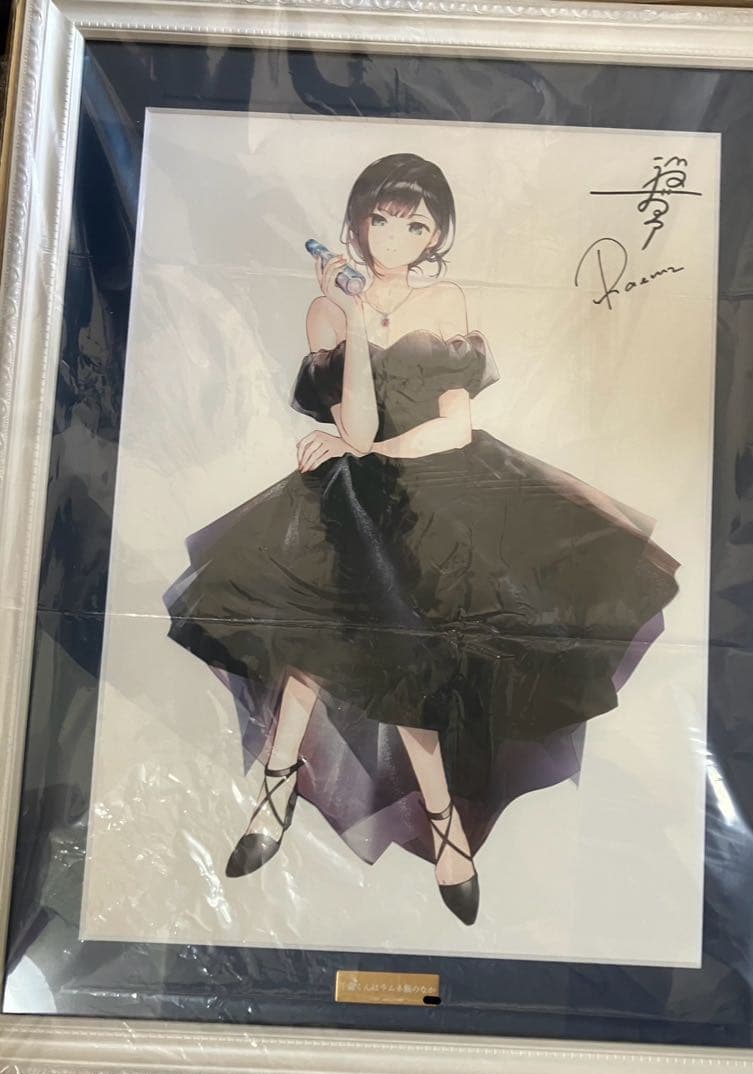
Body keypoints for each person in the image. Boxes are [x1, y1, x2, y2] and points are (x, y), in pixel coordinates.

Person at [164, 152, 679, 927]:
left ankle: (444, 833)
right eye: (380, 218)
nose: (394, 237)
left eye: (415, 225)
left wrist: (369, 452)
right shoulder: (327, 313)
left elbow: (454, 429)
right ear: (356, 221)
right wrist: (356, 325)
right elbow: (356, 426)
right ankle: (279, 802)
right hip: (351, 497)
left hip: (440, 497)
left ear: (436, 235)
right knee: (306, 649)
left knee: (408, 670)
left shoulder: (447, 300)